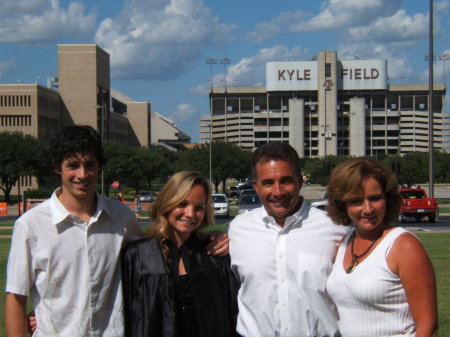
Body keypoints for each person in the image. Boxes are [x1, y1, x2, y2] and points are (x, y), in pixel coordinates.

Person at [5, 125, 229, 337]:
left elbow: (157, 248)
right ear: (57, 167)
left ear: (99, 166)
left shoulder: (121, 218)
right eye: (73, 165)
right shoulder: (31, 225)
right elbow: (16, 297)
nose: (82, 174)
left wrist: (213, 236)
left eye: (90, 165)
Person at [228, 142, 347, 337]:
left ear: (300, 181)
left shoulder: (335, 228)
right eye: (267, 183)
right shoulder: (237, 230)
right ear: (256, 187)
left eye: (286, 181)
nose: (278, 192)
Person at [325, 158, 438, 337]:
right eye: (356, 201)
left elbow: (428, 328)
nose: (368, 209)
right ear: (342, 204)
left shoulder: (404, 246)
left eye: (375, 199)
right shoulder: (344, 242)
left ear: (388, 199)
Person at [121, 171, 239, 337]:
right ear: (167, 203)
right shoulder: (137, 256)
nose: (190, 214)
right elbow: (128, 317)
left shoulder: (214, 254)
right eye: (182, 204)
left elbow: (229, 315)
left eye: (199, 208)